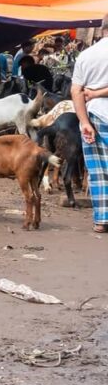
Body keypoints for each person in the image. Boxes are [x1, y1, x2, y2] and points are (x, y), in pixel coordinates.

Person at [72, 15, 108, 231]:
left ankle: (102, 220)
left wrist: (84, 121)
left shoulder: (86, 56)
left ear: (101, 30)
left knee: (98, 171)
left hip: (93, 116)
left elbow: (75, 91)